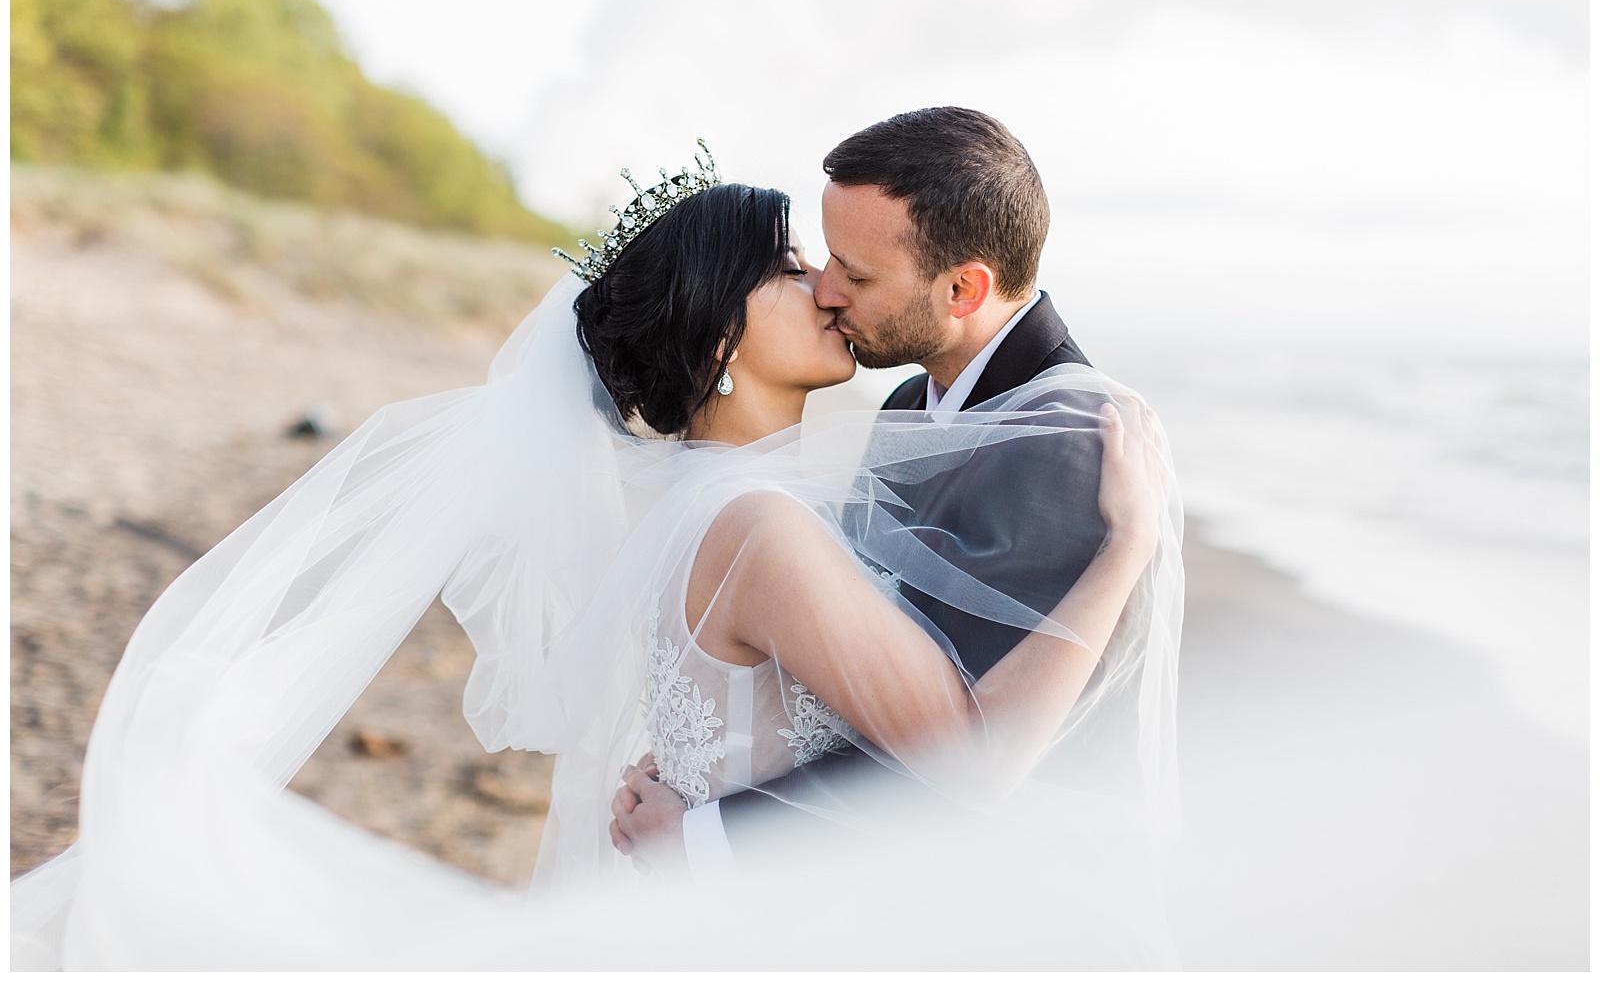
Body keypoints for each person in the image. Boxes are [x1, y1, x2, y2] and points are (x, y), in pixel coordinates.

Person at [10, 128, 1181, 970]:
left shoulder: (714, 499)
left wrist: (705, 813)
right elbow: (957, 751)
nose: (825, 289)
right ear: (722, 340)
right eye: (794, 268)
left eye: (841, 270)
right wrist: (1127, 545)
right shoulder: (757, 521)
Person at [612, 108, 1176, 879]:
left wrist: (710, 830)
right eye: (817, 261)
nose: (827, 290)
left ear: (962, 288)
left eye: (857, 272)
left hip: (1028, 899)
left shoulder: (1071, 440)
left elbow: (956, 756)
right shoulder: (906, 408)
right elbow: (855, 687)